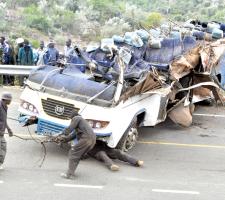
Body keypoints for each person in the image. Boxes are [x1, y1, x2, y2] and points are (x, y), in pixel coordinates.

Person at [59, 109, 96, 179]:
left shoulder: (77, 118)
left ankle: (69, 174)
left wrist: (61, 133)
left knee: (73, 153)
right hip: (92, 140)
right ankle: (71, 173)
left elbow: (70, 129)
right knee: (77, 155)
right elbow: (73, 135)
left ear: (72, 116)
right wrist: (64, 140)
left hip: (86, 139)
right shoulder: (82, 122)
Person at [0, 92, 13, 170]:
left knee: (3, 147)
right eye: (10, 100)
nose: (11, 101)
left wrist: (9, 129)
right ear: (6, 99)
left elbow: (4, 120)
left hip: (1, 133)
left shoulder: (5, 106)